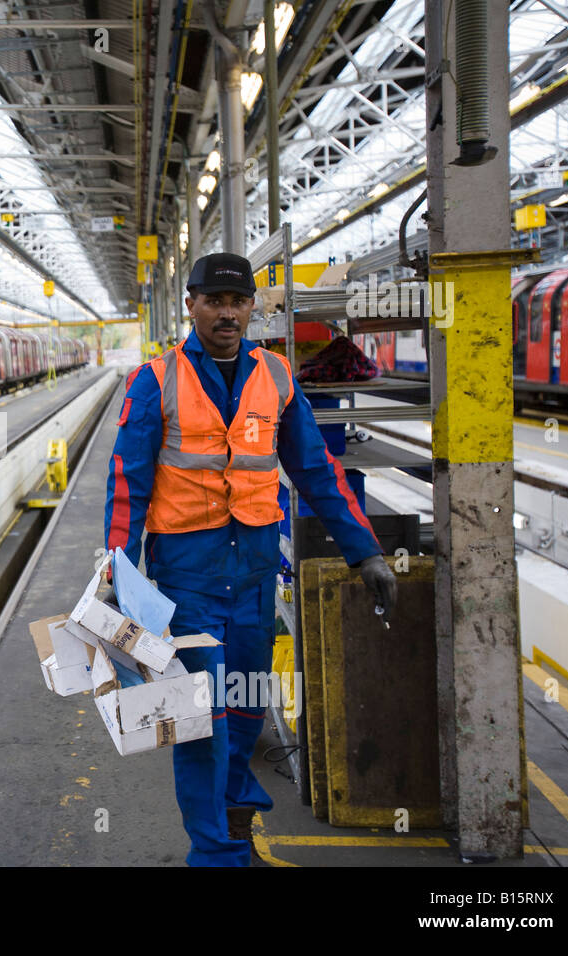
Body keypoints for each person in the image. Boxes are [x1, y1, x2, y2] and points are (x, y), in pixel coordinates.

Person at [103, 252, 397, 867]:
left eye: (239, 302)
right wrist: (119, 578)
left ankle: (235, 829)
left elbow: (316, 470)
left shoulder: (278, 377)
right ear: (192, 305)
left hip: (257, 579)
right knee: (199, 721)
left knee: (242, 708)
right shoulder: (154, 381)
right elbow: (127, 484)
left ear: (253, 307)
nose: (228, 313)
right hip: (189, 584)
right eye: (214, 301)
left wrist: (364, 551)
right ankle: (214, 855)